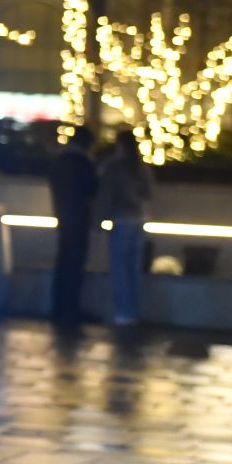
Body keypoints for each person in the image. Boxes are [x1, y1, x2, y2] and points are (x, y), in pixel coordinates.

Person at [97, 130, 154, 326]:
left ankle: (123, 312)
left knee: (119, 268)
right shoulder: (141, 167)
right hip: (139, 220)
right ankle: (134, 310)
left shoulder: (114, 166)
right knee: (134, 268)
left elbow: (106, 195)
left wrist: (100, 219)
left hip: (121, 220)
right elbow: (148, 194)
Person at [47, 125, 99, 324]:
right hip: (79, 217)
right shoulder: (82, 162)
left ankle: (59, 308)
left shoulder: (58, 160)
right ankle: (71, 309)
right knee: (75, 264)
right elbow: (92, 188)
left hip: (63, 215)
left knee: (63, 263)